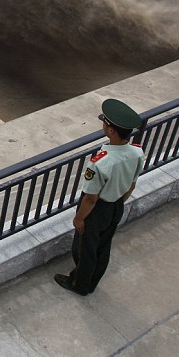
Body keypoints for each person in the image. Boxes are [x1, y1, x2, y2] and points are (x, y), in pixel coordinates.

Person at [54, 98, 144, 296]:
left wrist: (79, 218)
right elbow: (132, 184)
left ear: (111, 130)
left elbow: (91, 198)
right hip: (116, 206)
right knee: (103, 247)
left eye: (105, 122)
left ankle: (80, 284)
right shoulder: (137, 153)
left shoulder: (100, 163)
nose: (103, 125)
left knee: (84, 250)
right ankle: (92, 281)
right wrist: (118, 201)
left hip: (97, 211)